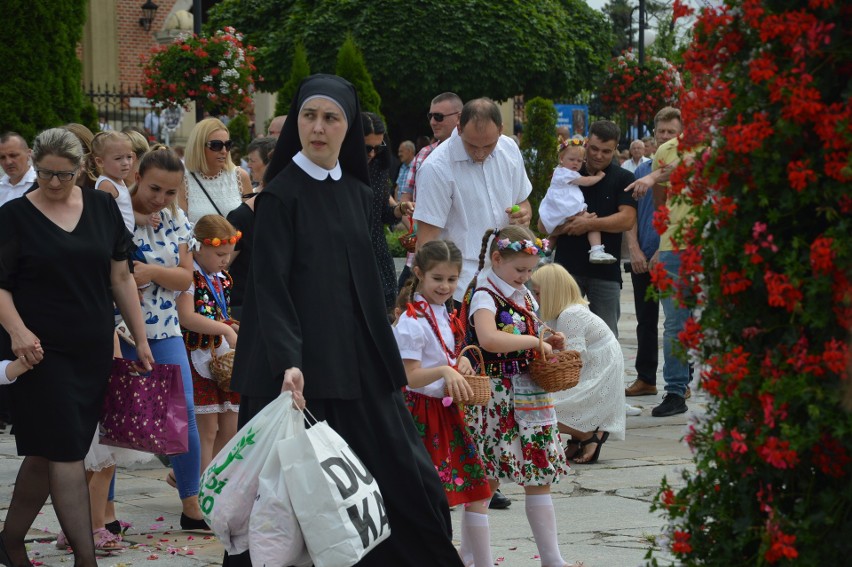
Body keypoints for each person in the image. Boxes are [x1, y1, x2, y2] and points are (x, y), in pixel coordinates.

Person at [226, 73, 463, 567]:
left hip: (359, 364)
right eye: (309, 116)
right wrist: (288, 362)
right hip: (300, 372)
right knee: (289, 508)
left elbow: (373, 273)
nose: (318, 127)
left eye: (330, 117)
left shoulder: (358, 192)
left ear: (347, 127)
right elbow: (270, 287)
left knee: (410, 480)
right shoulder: (280, 196)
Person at [0, 127, 153, 567]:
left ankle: (10, 540)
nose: (51, 183)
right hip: (40, 354)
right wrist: (17, 332)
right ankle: (86, 560)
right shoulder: (14, 216)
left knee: (45, 453)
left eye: (62, 175)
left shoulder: (103, 207)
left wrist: (140, 340)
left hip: (93, 349)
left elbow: (121, 278)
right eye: (44, 173)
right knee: (67, 449)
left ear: (81, 168)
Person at [459, 226, 581, 567]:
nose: (525, 277)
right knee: (485, 480)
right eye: (519, 270)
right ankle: (472, 557)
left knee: (538, 476)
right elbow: (489, 338)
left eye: (530, 271)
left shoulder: (522, 293)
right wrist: (533, 342)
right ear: (496, 259)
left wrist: (547, 336)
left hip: (529, 395)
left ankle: (552, 558)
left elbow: (530, 326)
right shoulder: (484, 292)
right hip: (495, 397)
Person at [393, 240, 493, 567]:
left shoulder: (443, 310)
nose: (446, 286)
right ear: (419, 273)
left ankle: (474, 560)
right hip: (420, 414)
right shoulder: (411, 320)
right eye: (438, 278)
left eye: (452, 279)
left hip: (445, 410)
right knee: (430, 497)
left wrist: (461, 364)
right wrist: (443, 371)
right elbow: (408, 376)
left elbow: (448, 355)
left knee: (476, 489)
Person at [123, 148, 209, 531]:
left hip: (164, 328)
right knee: (108, 421)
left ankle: (192, 504)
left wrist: (153, 271)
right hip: (118, 328)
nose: (160, 198)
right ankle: (99, 515)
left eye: (170, 192)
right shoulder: (114, 212)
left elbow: (185, 278)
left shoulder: (177, 220)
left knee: (183, 412)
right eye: (155, 187)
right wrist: (161, 273)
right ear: (138, 176)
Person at [414, 98, 533, 304]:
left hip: (508, 279)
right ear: (459, 128)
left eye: (488, 145)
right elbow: (426, 243)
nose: (480, 153)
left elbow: (523, 202)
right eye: (471, 145)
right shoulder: (436, 168)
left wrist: (523, 213)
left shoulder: (510, 149)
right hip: (460, 287)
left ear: (501, 130)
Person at [541, 120, 637, 337]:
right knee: (561, 335)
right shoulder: (568, 171)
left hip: (605, 273)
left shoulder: (623, 178)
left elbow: (627, 220)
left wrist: (589, 224)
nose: (598, 155)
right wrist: (566, 227)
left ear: (615, 149)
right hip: (566, 270)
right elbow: (543, 222)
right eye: (593, 148)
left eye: (606, 151)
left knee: (605, 337)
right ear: (586, 142)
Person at [627, 110, 692, 418]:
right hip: (674, 247)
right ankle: (676, 390)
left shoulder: (707, 148)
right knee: (674, 322)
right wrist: (663, 239)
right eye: (661, 132)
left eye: (672, 132)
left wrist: (654, 175)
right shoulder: (662, 155)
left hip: (708, 242)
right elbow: (660, 203)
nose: (667, 137)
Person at [530, 264, 626, 464]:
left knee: (545, 406)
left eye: (538, 293)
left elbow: (572, 359)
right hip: (595, 361)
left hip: (599, 366)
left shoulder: (570, 314)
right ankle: (576, 439)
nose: (535, 298)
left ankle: (587, 435)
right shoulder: (565, 312)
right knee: (554, 402)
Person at [177, 214, 241, 474]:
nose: (226, 260)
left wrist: (233, 326)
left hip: (220, 353)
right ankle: (200, 488)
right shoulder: (189, 276)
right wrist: (225, 330)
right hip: (196, 353)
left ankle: (213, 479)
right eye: (220, 254)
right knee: (207, 429)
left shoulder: (221, 276)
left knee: (231, 426)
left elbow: (219, 314)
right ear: (200, 247)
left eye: (228, 254)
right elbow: (187, 317)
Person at [396, 92, 463, 295]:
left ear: (459, 117)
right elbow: (406, 198)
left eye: (439, 116)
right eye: (431, 116)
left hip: (455, 264)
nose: (433, 121)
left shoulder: (471, 156)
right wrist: (417, 230)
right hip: (421, 257)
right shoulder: (423, 154)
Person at [362, 111, 412, 313]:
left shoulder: (378, 166)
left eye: (378, 147)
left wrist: (399, 209)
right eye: (367, 148)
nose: (373, 153)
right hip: (349, 254)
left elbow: (382, 214)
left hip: (377, 251)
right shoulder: (337, 169)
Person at [538, 137, 616, 265]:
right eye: (572, 159)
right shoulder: (568, 174)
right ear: (561, 159)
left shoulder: (558, 171)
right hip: (567, 207)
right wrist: (598, 177)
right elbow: (586, 181)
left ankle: (545, 254)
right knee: (591, 222)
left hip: (556, 208)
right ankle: (596, 249)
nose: (576, 163)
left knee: (554, 234)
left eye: (580, 161)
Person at [181, 117, 252, 223]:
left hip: (236, 239)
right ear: (199, 147)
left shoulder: (241, 176)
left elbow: (251, 221)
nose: (224, 151)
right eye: (216, 145)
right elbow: (180, 227)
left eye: (227, 145)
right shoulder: (183, 180)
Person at [89, 131, 136, 232]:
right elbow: (102, 220)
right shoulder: (106, 185)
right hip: (116, 243)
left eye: (129, 157)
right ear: (100, 162)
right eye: (118, 158)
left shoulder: (118, 180)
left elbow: (126, 212)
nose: (126, 163)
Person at [0, 132, 35, 207]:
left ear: (28, 154)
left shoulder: (41, 185)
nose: (8, 162)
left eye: (13, 155)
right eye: (2, 157)